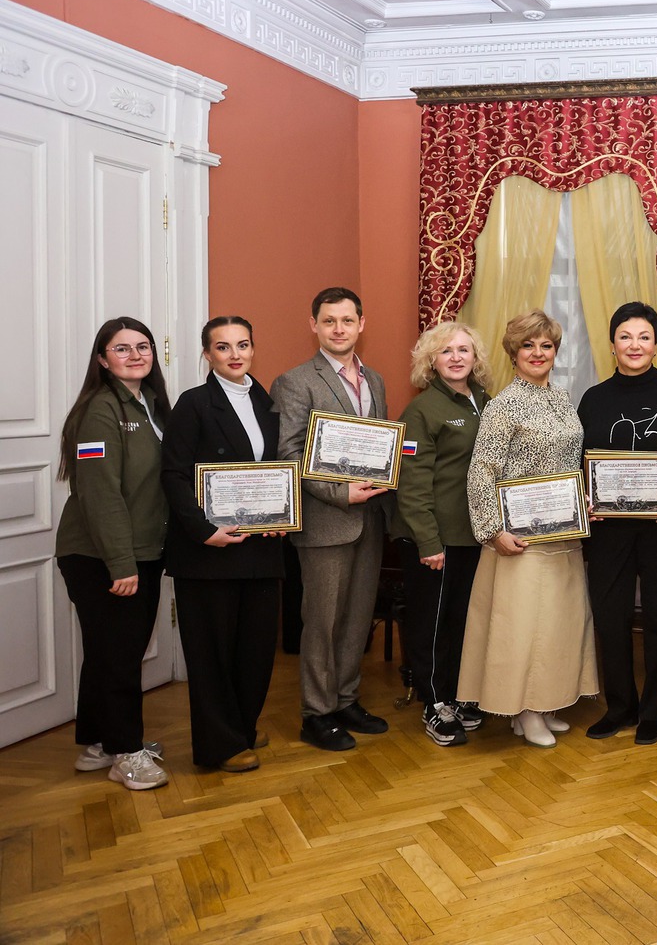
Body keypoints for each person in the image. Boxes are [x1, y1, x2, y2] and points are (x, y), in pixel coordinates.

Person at [458, 310, 598, 747]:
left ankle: (542, 706)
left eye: (546, 345)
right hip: (520, 539)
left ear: (556, 351)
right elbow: (482, 470)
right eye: (528, 346)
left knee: (557, 627)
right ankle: (524, 710)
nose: (538, 353)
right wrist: (492, 530)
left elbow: (570, 462)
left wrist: (584, 499)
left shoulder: (563, 399)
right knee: (525, 629)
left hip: (564, 536)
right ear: (513, 353)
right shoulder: (502, 406)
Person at [578, 301, 657, 746]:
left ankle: (654, 711)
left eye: (644, 337)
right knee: (609, 616)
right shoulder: (593, 399)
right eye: (626, 337)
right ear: (612, 344)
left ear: (656, 345)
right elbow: (579, 461)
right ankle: (620, 706)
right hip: (607, 529)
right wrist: (585, 498)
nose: (635, 345)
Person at [160, 316, 283, 773]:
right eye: (223, 346)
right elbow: (173, 475)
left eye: (243, 345)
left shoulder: (267, 401)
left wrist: (280, 515)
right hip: (207, 551)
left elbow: (277, 468)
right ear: (207, 354)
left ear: (253, 349)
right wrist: (202, 529)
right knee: (211, 653)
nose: (235, 354)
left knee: (254, 649)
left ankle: (242, 728)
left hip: (259, 549)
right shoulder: (193, 404)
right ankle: (219, 745)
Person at [272, 287, 392, 752]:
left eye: (347, 320)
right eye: (329, 321)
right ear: (314, 326)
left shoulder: (375, 379)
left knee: (357, 618)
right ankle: (316, 714)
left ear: (362, 324)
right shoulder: (295, 381)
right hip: (325, 521)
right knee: (322, 623)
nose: (338, 329)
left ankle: (345, 700)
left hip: (370, 520)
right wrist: (340, 492)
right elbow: (289, 453)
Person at [55, 317, 172, 790]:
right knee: (120, 656)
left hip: (141, 549)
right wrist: (120, 564)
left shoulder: (151, 404)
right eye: (121, 349)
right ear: (103, 359)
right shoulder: (101, 410)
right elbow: (100, 494)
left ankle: (100, 742)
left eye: (143, 346)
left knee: (109, 652)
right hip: (101, 557)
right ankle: (127, 754)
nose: (135, 355)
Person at [390, 323, 493, 747]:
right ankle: (434, 703)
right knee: (431, 625)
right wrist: (428, 542)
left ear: (475, 357)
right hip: (436, 539)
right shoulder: (421, 410)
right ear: (431, 360)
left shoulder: (487, 402)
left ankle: (459, 695)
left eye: (463, 349)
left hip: (476, 535)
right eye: (445, 350)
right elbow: (412, 484)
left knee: (463, 621)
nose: (455, 357)